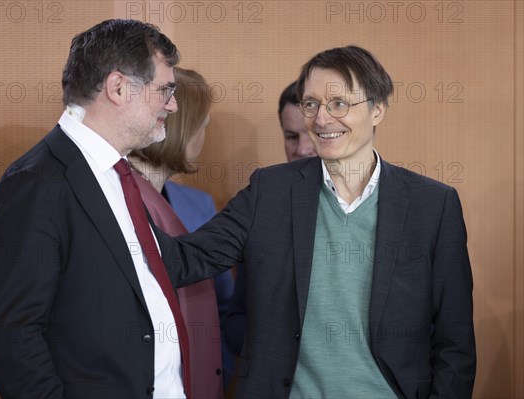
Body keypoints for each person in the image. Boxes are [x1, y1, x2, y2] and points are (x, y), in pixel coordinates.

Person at [173, 46, 476, 398]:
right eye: (311, 104)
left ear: (377, 109)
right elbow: (188, 258)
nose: (321, 118)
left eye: (339, 104)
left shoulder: (433, 205)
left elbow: (455, 344)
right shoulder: (269, 190)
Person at [0, 19, 225, 398]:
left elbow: (164, 263)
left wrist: (266, 202)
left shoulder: (118, 174)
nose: (173, 104)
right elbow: (14, 337)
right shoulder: (35, 183)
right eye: (165, 90)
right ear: (118, 88)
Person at [127, 66, 234, 397]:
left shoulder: (199, 204)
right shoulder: (116, 197)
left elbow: (224, 302)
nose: (205, 133)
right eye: (202, 124)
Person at [224, 81, 316, 355]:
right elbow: (236, 320)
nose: (301, 149)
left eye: (312, 134)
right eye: (291, 136)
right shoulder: (262, 208)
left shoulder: (384, 207)